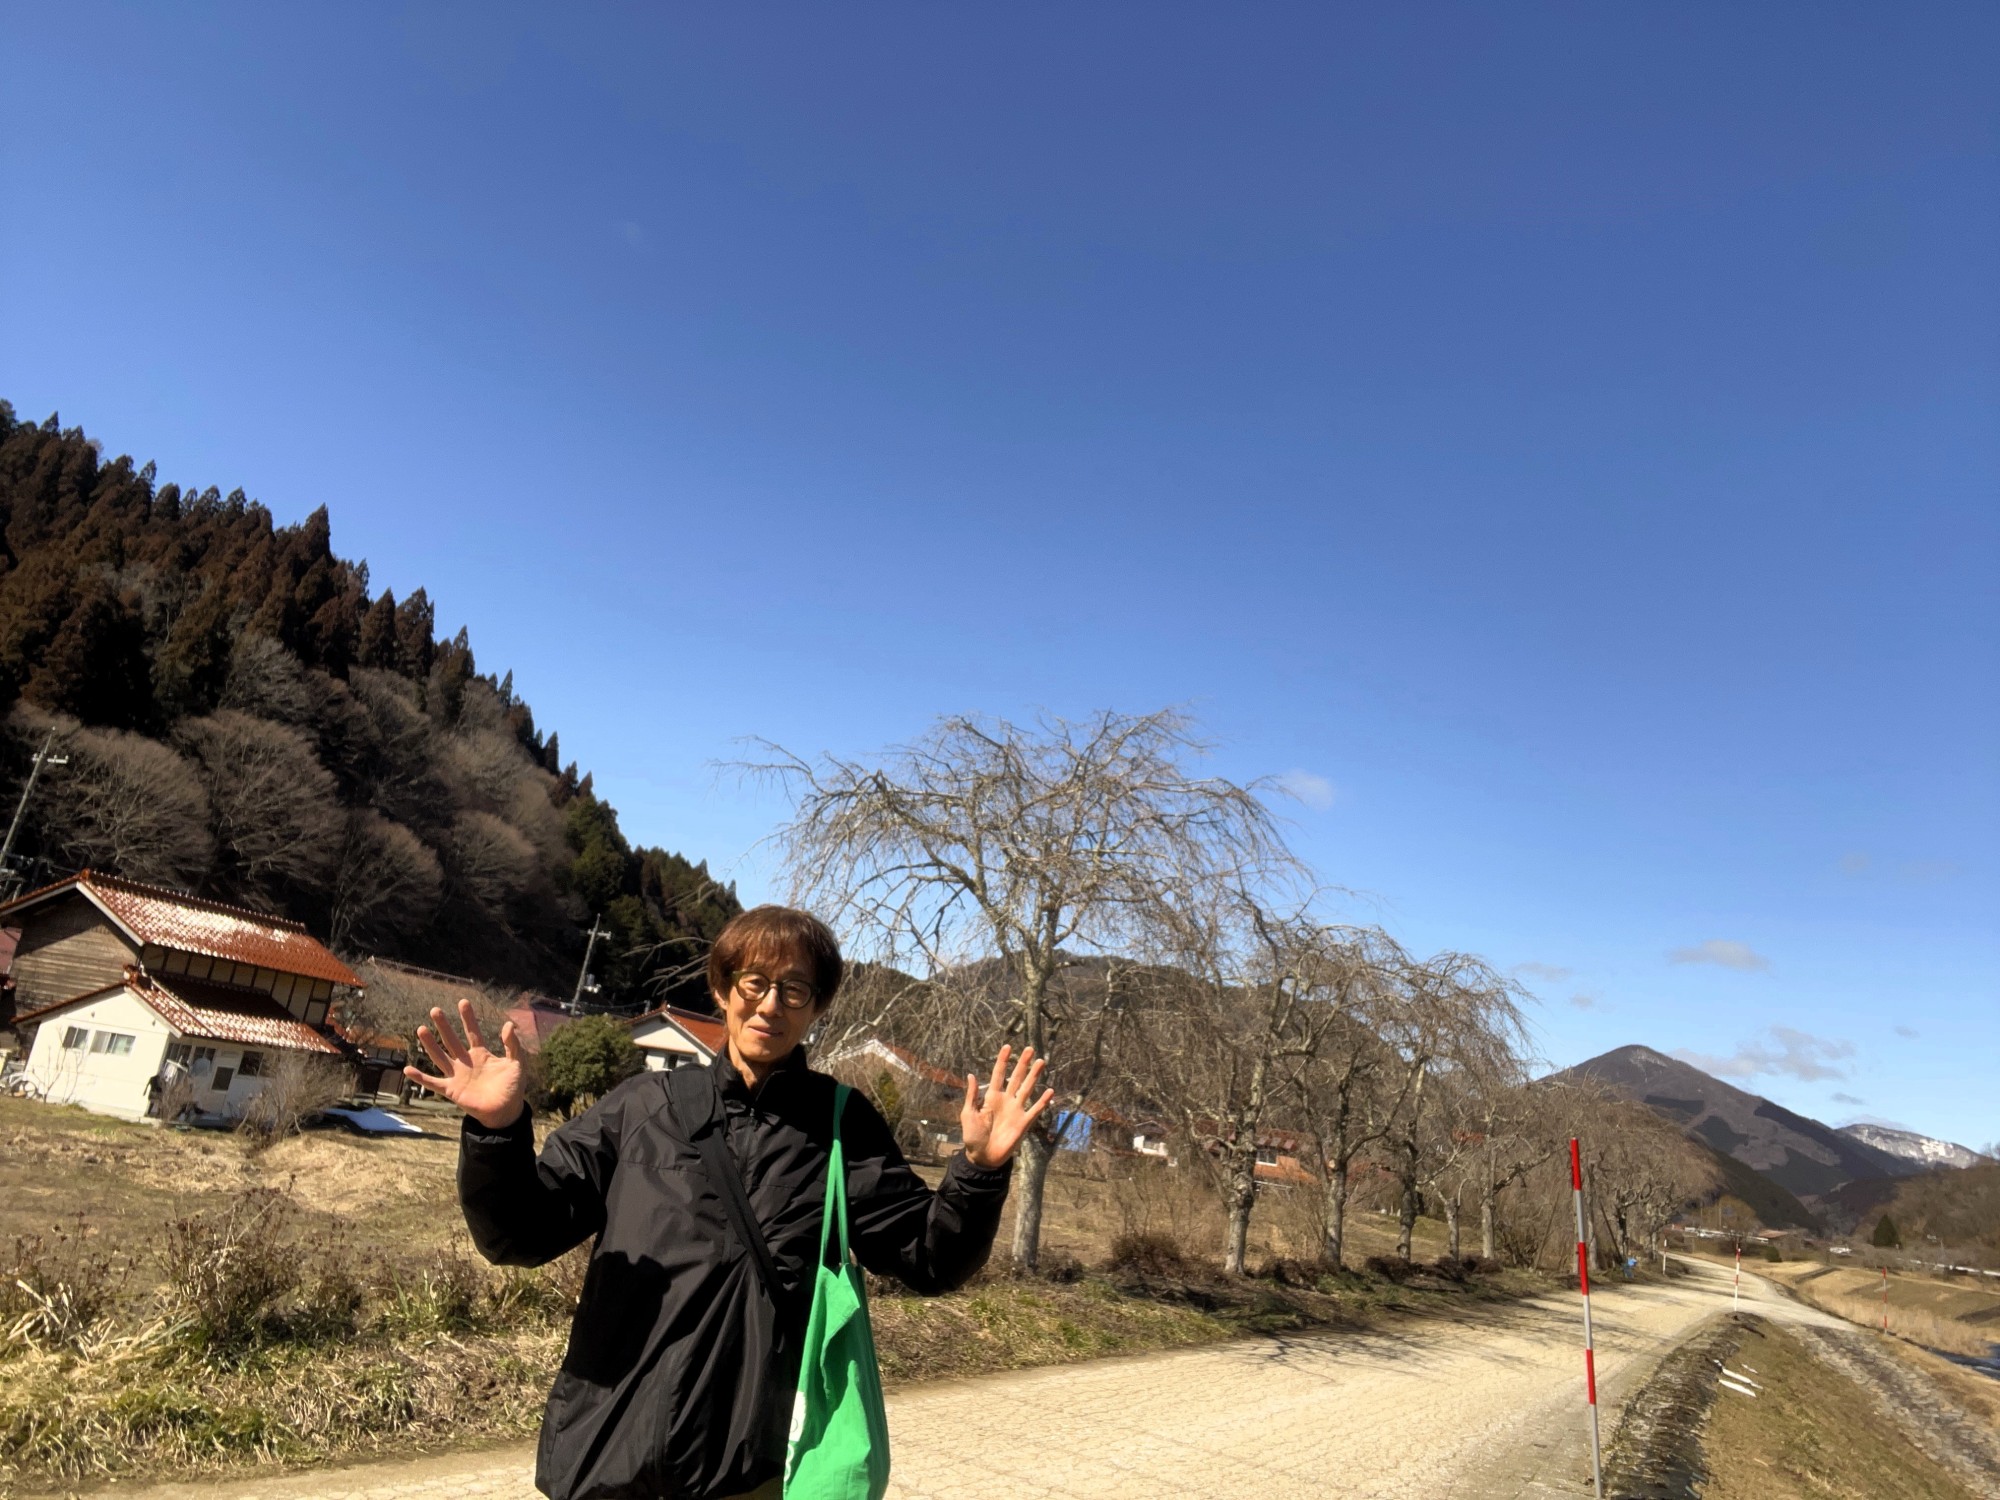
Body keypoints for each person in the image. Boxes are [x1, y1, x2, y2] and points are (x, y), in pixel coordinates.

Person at [408, 906, 1052, 1500]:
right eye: (754, 982)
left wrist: (979, 1172)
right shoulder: (641, 1109)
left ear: (816, 1007)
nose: (771, 1004)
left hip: (750, 1472)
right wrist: (497, 1132)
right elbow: (518, 1235)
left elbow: (929, 1258)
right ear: (722, 989)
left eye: (794, 989)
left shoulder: (840, 1126)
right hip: (609, 1453)